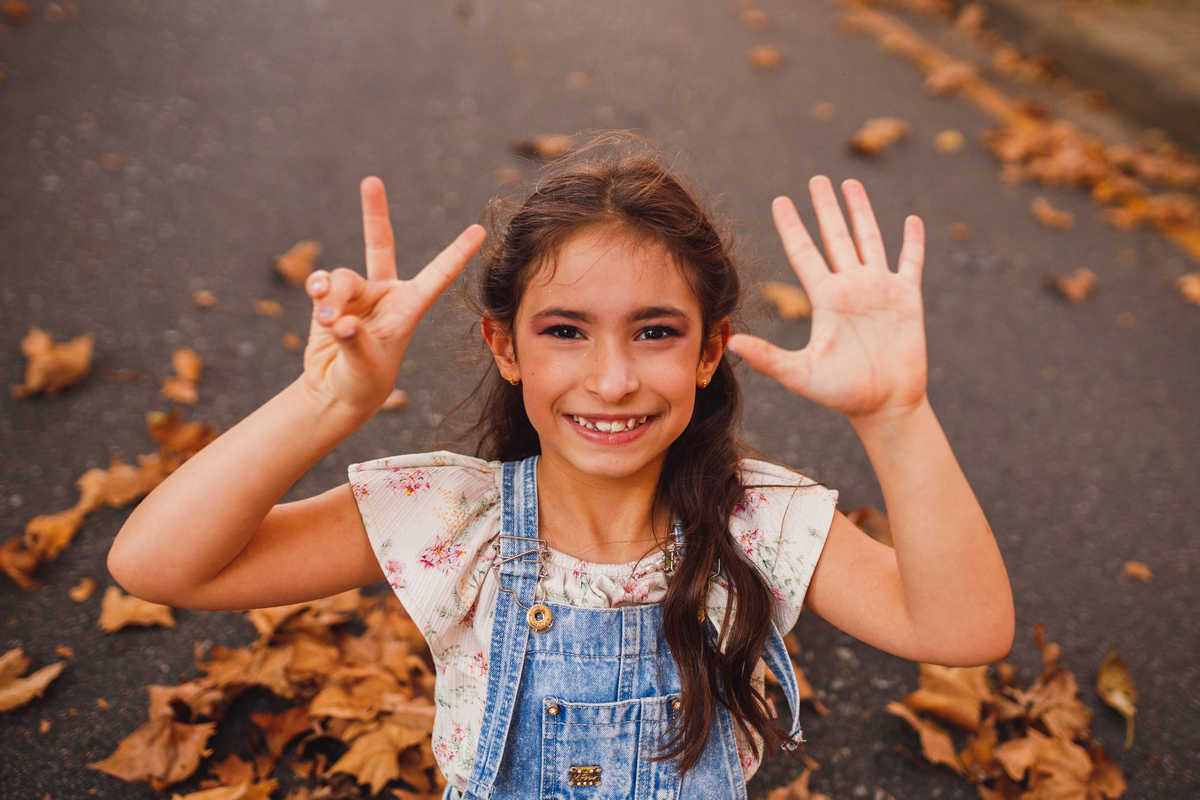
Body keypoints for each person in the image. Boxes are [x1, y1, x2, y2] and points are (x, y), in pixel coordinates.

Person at [108, 136, 1014, 800]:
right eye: (566, 331)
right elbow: (157, 566)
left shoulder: (755, 519)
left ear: (711, 351)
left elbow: (964, 630)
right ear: (506, 346)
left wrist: (895, 416)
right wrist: (329, 404)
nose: (612, 379)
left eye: (656, 331)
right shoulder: (452, 517)